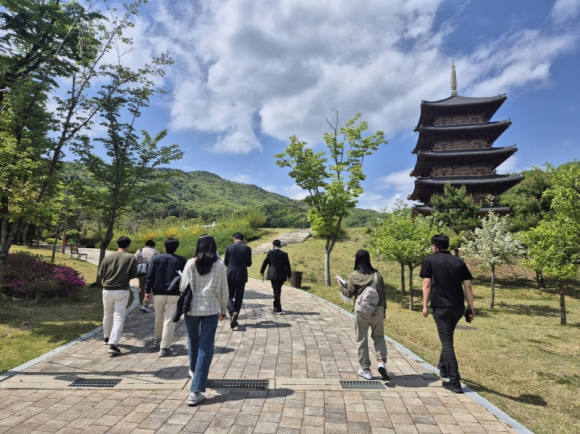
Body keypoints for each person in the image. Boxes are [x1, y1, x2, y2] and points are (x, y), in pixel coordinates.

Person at [420, 234, 475, 394]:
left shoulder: (429, 260)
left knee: (447, 343)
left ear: (434, 246)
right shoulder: (459, 261)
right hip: (457, 307)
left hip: (441, 307)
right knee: (448, 338)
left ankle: (455, 382)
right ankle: (443, 367)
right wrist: (471, 308)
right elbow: (468, 286)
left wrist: (424, 306)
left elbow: (426, 284)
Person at [180, 234, 227, 407]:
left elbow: (183, 287)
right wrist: (223, 309)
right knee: (206, 347)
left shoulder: (190, 263)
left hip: (191, 309)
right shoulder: (219, 265)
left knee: (193, 341)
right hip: (211, 308)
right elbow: (224, 289)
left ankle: (195, 373)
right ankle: (196, 390)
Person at [338, 249, 389, 381]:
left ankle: (366, 370)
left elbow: (348, 293)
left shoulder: (354, 275)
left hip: (362, 310)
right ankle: (381, 362)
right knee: (379, 336)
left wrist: (341, 286)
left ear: (356, 259)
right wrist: (384, 310)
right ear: (369, 259)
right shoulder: (377, 275)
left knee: (361, 339)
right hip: (378, 309)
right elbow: (382, 294)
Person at [144, 238, 187, 357]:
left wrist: (147, 290)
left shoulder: (157, 258)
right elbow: (186, 277)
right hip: (174, 293)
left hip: (158, 292)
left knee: (159, 317)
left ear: (165, 247)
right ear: (176, 248)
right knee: (169, 320)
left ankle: (158, 340)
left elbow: (150, 275)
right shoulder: (181, 260)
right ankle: (165, 347)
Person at [99, 236, 138, 356]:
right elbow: (133, 275)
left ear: (117, 244)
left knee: (107, 314)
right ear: (128, 245)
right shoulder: (131, 257)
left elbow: (101, 273)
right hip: (122, 290)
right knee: (118, 317)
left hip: (107, 289)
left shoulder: (108, 256)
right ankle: (113, 344)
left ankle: (106, 337)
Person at [224, 232, 252, 329]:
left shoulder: (229, 247)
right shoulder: (247, 248)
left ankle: (232, 313)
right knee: (239, 296)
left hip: (230, 274)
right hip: (242, 275)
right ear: (243, 240)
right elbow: (249, 263)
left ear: (234, 238)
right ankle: (235, 315)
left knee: (228, 296)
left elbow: (225, 262)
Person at [260, 239, 292, 315]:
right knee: (277, 290)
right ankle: (276, 306)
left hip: (273, 274)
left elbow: (265, 262)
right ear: (280, 246)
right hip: (282, 275)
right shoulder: (284, 254)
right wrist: (289, 275)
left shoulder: (271, 253)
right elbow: (288, 265)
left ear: (273, 245)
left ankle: (278, 309)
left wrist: (262, 271)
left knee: (276, 291)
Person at [135, 240, 160, 313]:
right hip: (151, 273)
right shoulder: (156, 251)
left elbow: (135, 261)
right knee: (149, 289)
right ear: (153, 245)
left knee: (141, 288)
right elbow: (158, 262)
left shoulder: (139, 251)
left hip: (141, 272)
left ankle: (141, 304)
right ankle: (145, 305)